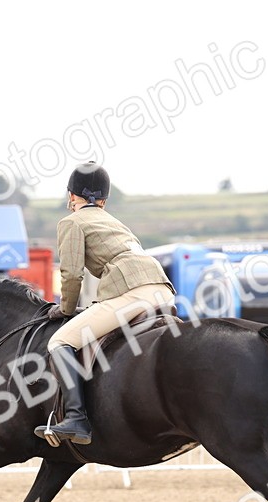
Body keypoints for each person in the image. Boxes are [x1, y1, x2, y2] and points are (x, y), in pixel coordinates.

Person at [35, 162, 176, 446]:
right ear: (103, 200)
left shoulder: (71, 222)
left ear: (71, 195)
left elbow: (72, 274)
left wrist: (65, 309)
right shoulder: (113, 221)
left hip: (130, 293)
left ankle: (76, 418)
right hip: (162, 289)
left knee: (60, 342)